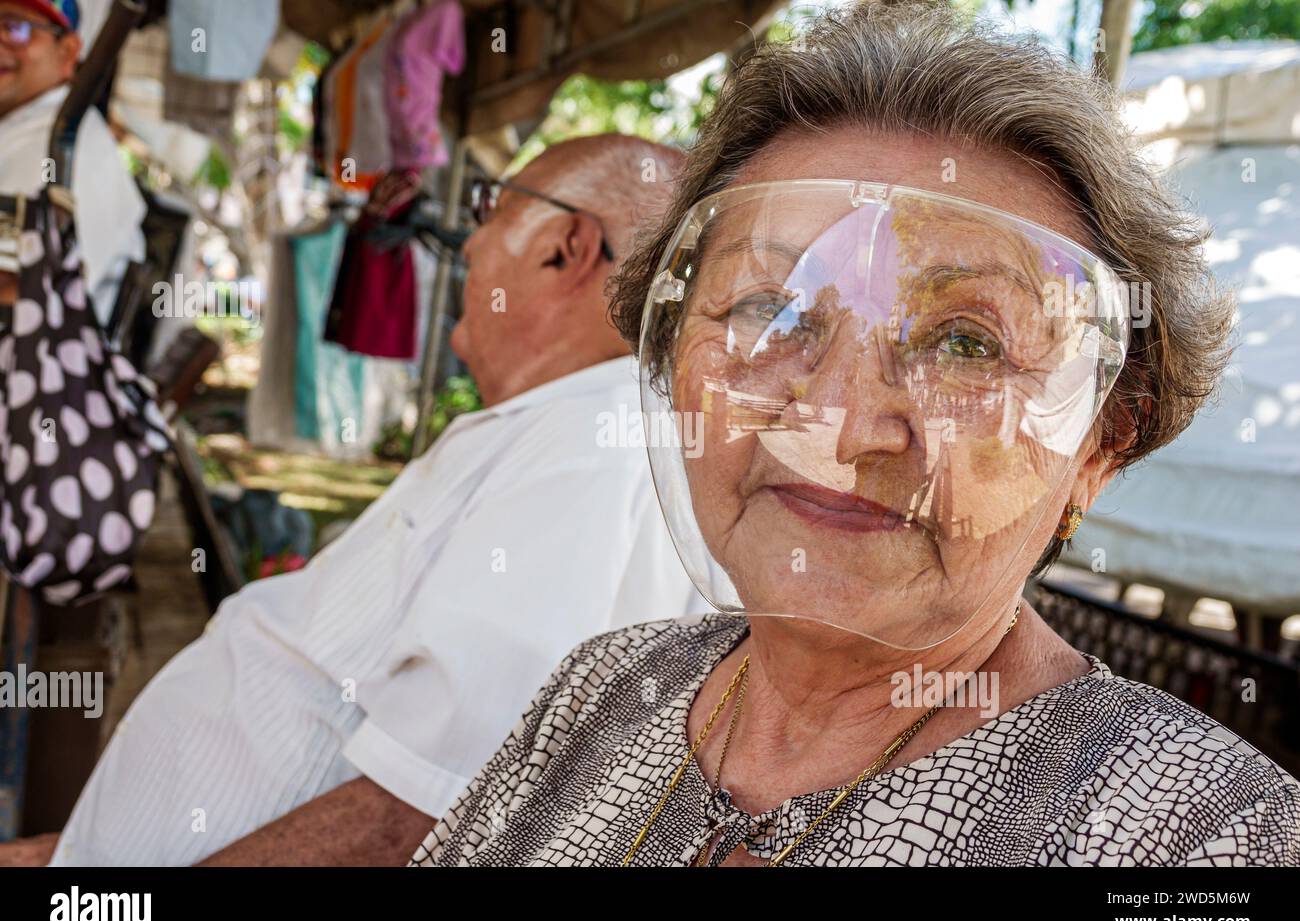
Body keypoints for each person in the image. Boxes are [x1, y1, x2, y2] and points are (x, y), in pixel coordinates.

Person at [413, 3, 1300, 867]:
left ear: (1101, 446)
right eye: (770, 309)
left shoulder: (1203, 837)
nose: (841, 430)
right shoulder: (604, 690)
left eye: (966, 344)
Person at [26, 133, 703, 866]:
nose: (470, 241)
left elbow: (426, 811)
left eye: (491, 207)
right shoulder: (569, 430)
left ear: (564, 248)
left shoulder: (587, 444)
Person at [0, 0, 144, 321]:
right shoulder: (20, 131)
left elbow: (11, 294)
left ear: (67, 53)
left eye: (14, 28)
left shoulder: (57, 148)